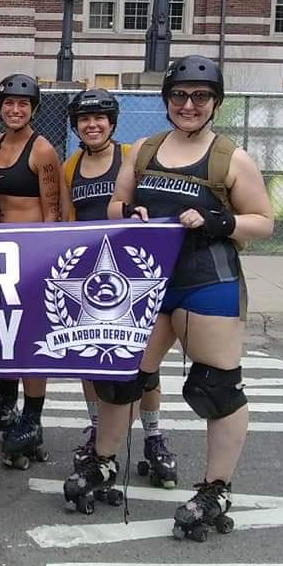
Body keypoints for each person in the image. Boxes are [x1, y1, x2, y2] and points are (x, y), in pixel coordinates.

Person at [62, 56, 274, 539]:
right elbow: (117, 202)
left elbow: (263, 220)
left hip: (207, 280)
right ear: (167, 101)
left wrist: (221, 221)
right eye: (179, 96)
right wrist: (129, 212)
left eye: (200, 97)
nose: (189, 104)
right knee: (121, 376)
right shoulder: (145, 148)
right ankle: (104, 462)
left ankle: (216, 487)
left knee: (215, 388)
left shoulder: (230, 157)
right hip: (147, 282)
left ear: (214, 103)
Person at [60, 88, 178, 489]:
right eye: (84, 119)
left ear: (111, 122)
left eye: (99, 118)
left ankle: (154, 436)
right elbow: (66, 219)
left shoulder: (132, 157)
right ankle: (99, 430)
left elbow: (150, 206)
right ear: (76, 125)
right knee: (89, 359)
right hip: (89, 280)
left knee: (144, 365)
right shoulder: (69, 165)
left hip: (132, 277)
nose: (92, 125)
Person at [0, 74, 60, 469]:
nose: (15, 109)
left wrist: (48, 260)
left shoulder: (43, 151)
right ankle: (6, 406)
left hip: (32, 257)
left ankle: (32, 417)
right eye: (9, 102)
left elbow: (53, 212)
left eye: (23, 104)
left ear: (33, 109)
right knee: (2, 337)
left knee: (31, 341)